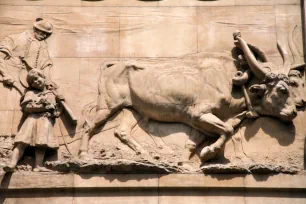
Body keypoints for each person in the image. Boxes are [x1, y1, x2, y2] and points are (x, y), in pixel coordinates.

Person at [3, 69, 61, 172]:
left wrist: (55, 111)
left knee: (41, 144)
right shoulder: (30, 93)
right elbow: (27, 107)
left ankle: (38, 166)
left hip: (44, 121)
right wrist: (43, 106)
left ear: (43, 77)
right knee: (21, 142)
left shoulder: (51, 94)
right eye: (32, 82)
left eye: (36, 78)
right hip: (32, 119)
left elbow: (54, 110)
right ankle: (12, 163)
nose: (35, 82)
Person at [0, 18, 53, 87]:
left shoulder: (42, 45)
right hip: (10, 81)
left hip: (31, 84)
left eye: (47, 34)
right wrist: (5, 74)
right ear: (35, 29)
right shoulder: (13, 38)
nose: (45, 36)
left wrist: (47, 80)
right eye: (43, 32)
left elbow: (45, 64)